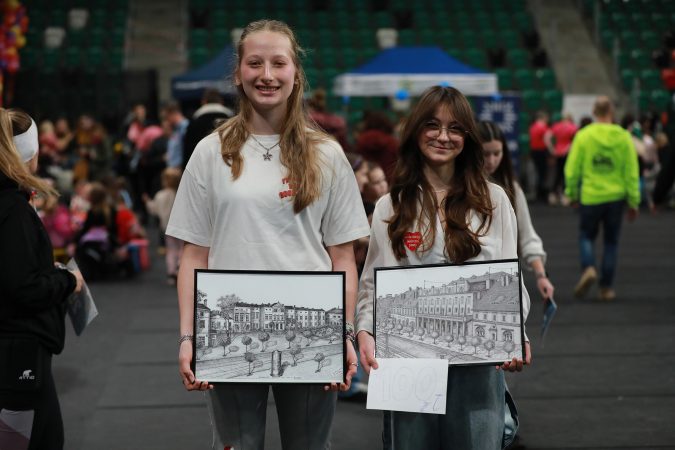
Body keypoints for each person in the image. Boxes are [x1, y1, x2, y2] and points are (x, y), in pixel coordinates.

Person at [165, 20, 369, 450]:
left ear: (296, 72)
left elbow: (343, 258)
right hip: (226, 335)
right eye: (255, 63)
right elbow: (193, 256)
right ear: (238, 73)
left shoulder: (327, 154)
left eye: (279, 63)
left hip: (315, 327)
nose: (267, 75)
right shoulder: (210, 151)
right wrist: (188, 336)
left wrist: (345, 332)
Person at [355, 86, 531, 449]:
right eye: (432, 125)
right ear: (416, 130)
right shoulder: (391, 206)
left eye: (455, 128)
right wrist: (365, 331)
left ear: (467, 138)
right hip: (406, 360)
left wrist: (517, 332)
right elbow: (372, 284)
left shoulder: (494, 200)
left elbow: (510, 279)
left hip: (477, 361)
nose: (443, 136)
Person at [0, 108, 84, 450]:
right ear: (31, 155)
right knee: (37, 440)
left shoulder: (12, 205)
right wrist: (68, 281)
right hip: (18, 353)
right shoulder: (13, 210)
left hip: (15, 351)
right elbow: (23, 287)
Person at [564, 96, 640, 301]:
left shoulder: (584, 136)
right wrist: (634, 201)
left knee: (586, 236)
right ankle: (606, 288)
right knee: (611, 243)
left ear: (594, 112)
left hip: (590, 196)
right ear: (611, 113)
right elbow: (631, 171)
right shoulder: (624, 137)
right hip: (616, 197)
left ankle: (589, 267)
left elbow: (572, 169)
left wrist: (572, 194)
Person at [479, 121, 555, 301]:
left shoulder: (511, 189)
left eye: (497, 153)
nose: (491, 161)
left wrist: (541, 276)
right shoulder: (458, 191)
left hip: (503, 280)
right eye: (485, 154)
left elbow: (527, 236)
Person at [143, 167, 182, 285]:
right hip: (181, 227)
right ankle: (179, 268)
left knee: (171, 250)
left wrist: (147, 201)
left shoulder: (160, 195)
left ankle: (171, 272)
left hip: (166, 227)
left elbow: (153, 209)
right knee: (182, 249)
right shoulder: (181, 194)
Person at [182, 88, 234, 169]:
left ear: (203, 102)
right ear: (221, 102)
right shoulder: (231, 121)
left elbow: (188, 153)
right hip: (228, 168)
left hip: (201, 168)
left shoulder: (193, 124)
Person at [544, 113, 577, 205]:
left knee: (557, 174)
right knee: (566, 174)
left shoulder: (556, 126)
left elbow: (546, 137)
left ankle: (553, 195)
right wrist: (567, 148)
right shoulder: (573, 127)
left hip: (557, 153)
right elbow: (575, 140)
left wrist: (552, 149)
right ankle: (565, 196)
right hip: (568, 153)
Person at [528, 110, 550, 202]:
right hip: (542, 152)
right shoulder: (543, 127)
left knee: (536, 172)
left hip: (534, 151)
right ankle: (541, 194)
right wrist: (552, 151)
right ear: (543, 118)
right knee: (542, 174)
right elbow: (547, 140)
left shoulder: (532, 127)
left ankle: (536, 193)